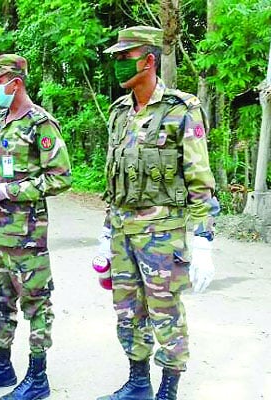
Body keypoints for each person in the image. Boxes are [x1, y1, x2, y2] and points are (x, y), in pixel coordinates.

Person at [96, 26, 220, 400]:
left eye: (125, 57)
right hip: (122, 232)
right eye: (116, 57)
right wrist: (105, 234)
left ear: (149, 60)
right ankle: (137, 383)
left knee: (166, 315)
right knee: (127, 311)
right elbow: (114, 178)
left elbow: (200, 181)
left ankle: (168, 390)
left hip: (162, 235)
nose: (118, 64)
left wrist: (202, 241)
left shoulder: (181, 110)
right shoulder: (119, 112)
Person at [0, 54, 72, 400]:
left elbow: (60, 179)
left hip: (26, 236)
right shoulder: (0, 121)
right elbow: (1, 168)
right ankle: (2, 366)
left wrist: (8, 191)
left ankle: (38, 377)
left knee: (36, 304)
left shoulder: (40, 124)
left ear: (16, 82)